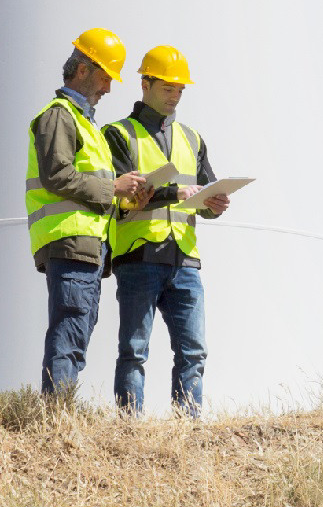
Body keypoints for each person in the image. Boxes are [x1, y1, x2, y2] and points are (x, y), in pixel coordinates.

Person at [104, 45, 230, 417]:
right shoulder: (117, 135)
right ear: (144, 84)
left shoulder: (193, 139)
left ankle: (186, 429)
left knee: (193, 351)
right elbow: (123, 192)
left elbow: (204, 190)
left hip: (185, 260)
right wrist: (175, 191)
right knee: (134, 350)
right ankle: (130, 427)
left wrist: (214, 204)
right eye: (167, 88)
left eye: (180, 90)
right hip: (139, 256)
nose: (175, 96)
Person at [26, 28, 149, 395]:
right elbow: (57, 176)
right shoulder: (59, 116)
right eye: (105, 76)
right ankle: (56, 420)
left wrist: (126, 198)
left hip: (88, 247)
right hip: (70, 242)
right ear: (82, 69)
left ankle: (59, 416)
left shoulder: (85, 123)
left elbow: (91, 186)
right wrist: (114, 187)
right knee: (69, 334)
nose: (109, 88)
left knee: (75, 337)